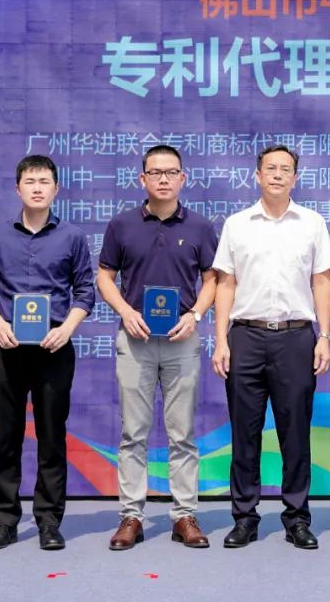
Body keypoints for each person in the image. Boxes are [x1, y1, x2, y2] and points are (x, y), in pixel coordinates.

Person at [211, 144, 330, 550]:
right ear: (257, 175)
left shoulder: (312, 223)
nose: (278, 174)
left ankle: (297, 518)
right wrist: (221, 340)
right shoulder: (237, 224)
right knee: (244, 432)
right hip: (245, 336)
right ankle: (244, 517)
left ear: (295, 178)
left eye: (285, 169)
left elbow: (322, 281)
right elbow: (225, 283)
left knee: (295, 433)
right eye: (270, 168)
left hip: (296, 337)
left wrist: (324, 335)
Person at [0, 155, 95, 551]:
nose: (37, 188)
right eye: (30, 181)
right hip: (6, 346)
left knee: (51, 437)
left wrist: (67, 329)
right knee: (6, 437)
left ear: (56, 189)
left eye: (44, 181)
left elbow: (85, 290)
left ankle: (49, 521)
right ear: (18, 188)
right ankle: (4, 521)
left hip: (53, 347)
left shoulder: (72, 237)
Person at [98, 144, 217, 550]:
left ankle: (185, 515)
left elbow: (213, 280)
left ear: (183, 178)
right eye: (155, 172)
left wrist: (195, 314)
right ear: (142, 178)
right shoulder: (121, 225)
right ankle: (131, 515)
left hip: (182, 341)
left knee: (182, 433)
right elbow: (104, 276)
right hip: (136, 341)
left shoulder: (200, 226)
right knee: (133, 432)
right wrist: (125, 311)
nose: (163, 179)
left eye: (171, 172)